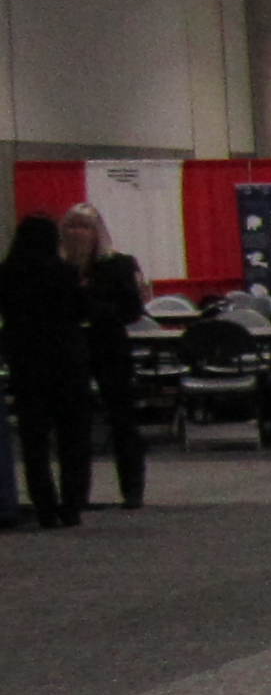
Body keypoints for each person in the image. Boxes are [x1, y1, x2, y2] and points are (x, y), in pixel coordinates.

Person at [0, 214, 93, 529]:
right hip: (67, 360)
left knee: (33, 438)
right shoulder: (65, 273)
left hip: (26, 362)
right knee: (73, 436)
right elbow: (83, 311)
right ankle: (72, 505)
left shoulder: (6, 273)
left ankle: (44, 506)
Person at [59, 204, 146, 509]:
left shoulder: (119, 265)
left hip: (109, 348)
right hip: (70, 351)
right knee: (74, 424)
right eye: (70, 226)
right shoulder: (58, 269)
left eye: (83, 226)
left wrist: (91, 302)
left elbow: (131, 310)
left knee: (122, 420)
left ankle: (132, 489)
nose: (76, 233)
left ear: (97, 232)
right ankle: (75, 492)